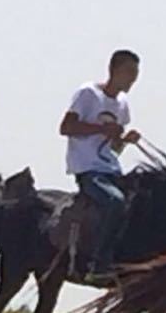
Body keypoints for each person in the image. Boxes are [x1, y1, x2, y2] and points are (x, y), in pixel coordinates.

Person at [59, 49, 142, 281]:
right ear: (114, 70)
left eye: (136, 73)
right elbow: (66, 128)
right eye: (130, 72)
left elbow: (114, 148)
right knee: (114, 201)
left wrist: (124, 140)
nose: (133, 78)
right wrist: (102, 129)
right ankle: (99, 263)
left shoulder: (123, 105)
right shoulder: (88, 94)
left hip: (111, 168)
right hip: (88, 169)